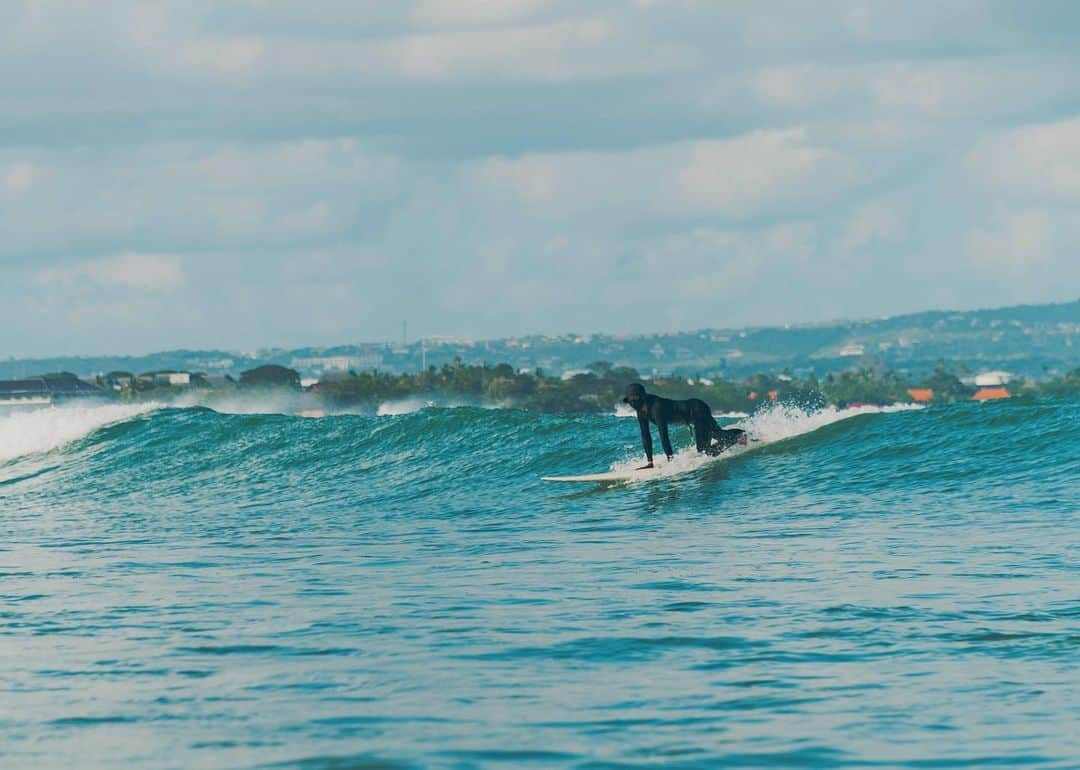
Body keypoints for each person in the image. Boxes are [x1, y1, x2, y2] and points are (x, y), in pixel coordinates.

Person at [622, 383, 745, 469]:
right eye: (630, 400)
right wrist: (650, 462)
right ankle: (741, 436)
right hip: (695, 411)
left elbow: (663, 435)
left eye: (635, 398)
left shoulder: (656, 407)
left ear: (642, 396)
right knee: (720, 435)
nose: (633, 402)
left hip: (697, 409)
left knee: (704, 451)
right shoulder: (641, 412)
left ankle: (739, 437)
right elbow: (645, 436)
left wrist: (670, 461)